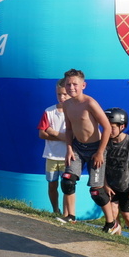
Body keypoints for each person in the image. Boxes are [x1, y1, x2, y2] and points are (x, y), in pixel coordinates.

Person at [60, 68, 112, 223]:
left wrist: (100, 152)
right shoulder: (67, 104)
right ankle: (71, 216)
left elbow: (107, 127)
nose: (71, 88)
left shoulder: (90, 103)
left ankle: (111, 223)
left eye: (75, 84)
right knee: (68, 180)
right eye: (68, 84)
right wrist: (69, 148)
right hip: (77, 147)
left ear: (83, 85)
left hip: (96, 148)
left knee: (96, 192)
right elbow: (69, 129)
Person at [102, 108, 129, 244]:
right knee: (113, 212)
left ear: (122, 127)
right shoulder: (105, 142)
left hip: (128, 186)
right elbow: (100, 165)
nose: (109, 130)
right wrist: (105, 184)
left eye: (112, 127)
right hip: (111, 185)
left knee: (127, 214)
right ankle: (116, 239)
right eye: (106, 126)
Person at [38, 78, 76, 222]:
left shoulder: (74, 111)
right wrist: (64, 137)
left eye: (65, 94)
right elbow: (42, 133)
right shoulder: (49, 112)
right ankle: (55, 210)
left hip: (68, 156)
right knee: (52, 184)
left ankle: (68, 214)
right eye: (59, 94)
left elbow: (75, 136)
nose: (62, 97)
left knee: (68, 186)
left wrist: (54, 133)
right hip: (52, 156)